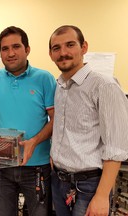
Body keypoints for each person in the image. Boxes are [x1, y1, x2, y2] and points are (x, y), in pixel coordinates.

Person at [49, 25, 128, 216]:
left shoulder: (104, 86)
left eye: (70, 45)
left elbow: (116, 148)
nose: (63, 53)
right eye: (56, 48)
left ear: (84, 47)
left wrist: (101, 196)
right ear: (51, 54)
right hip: (59, 181)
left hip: (89, 186)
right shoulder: (60, 86)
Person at [0, 26, 56, 216]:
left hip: (37, 166)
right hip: (2, 166)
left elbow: (56, 120)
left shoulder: (44, 79)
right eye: (5, 48)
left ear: (27, 49)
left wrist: (34, 141)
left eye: (16, 46)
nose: (10, 53)